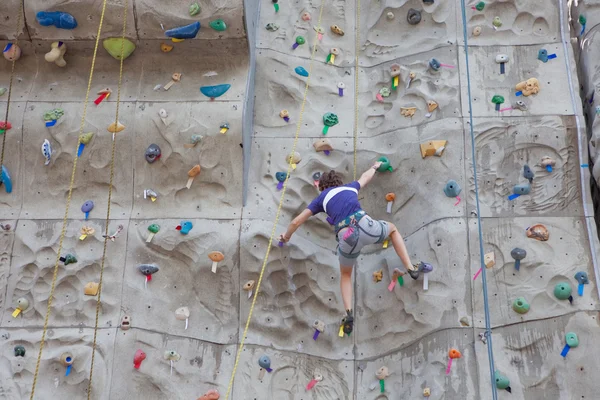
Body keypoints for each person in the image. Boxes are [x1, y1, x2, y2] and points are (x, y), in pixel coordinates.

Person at [278, 161, 423, 334]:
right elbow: (365, 177)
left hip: (346, 237)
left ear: (322, 187)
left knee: (346, 275)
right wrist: (375, 166)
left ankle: (348, 314)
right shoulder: (350, 188)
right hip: (365, 225)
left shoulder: (321, 199)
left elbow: (296, 221)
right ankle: (410, 268)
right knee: (392, 230)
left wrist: (286, 237)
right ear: (338, 183)